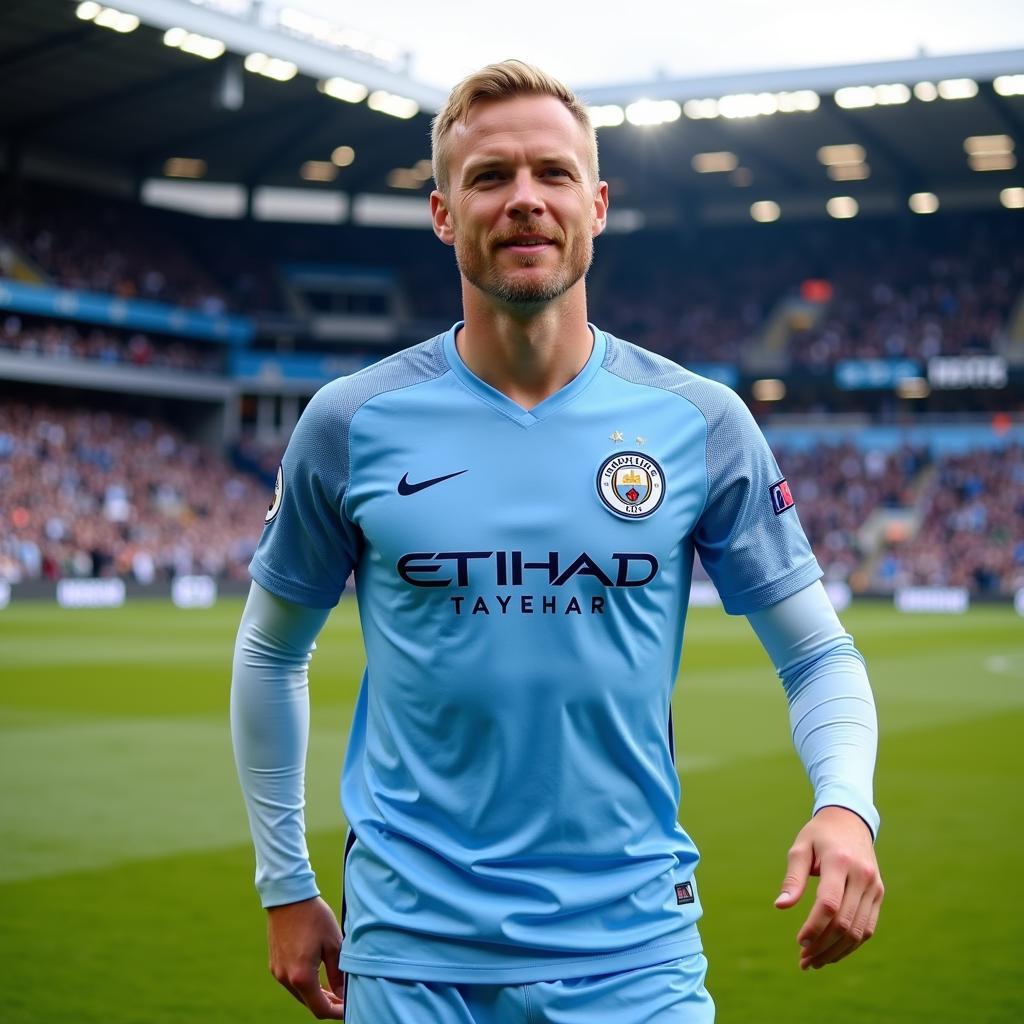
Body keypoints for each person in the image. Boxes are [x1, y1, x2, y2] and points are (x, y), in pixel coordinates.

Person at [231, 60, 883, 1023]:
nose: (525, 200)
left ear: (599, 202)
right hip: (412, 958)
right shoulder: (352, 422)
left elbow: (819, 654)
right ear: (444, 213)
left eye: (554, 173)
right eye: (491, 177)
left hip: (637, 954)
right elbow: (270, 648)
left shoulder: (699, 421)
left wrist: (846, 803)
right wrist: (285, 881)